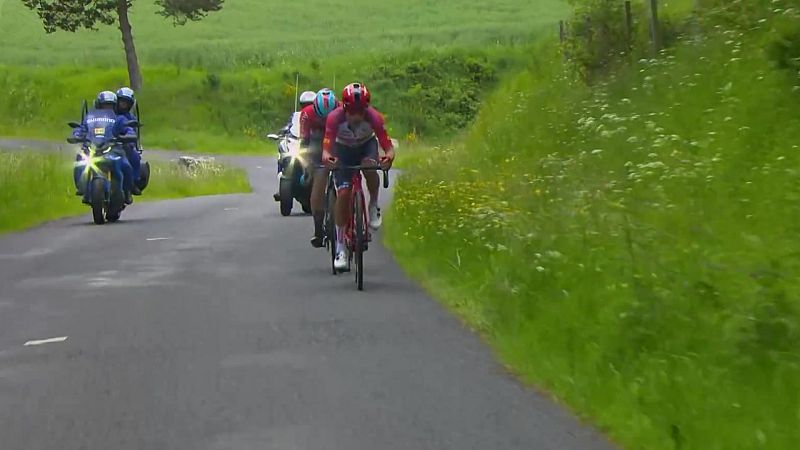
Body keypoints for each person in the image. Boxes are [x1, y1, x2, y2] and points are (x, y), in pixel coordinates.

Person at [322, 82, 395, 270]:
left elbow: (388, 147)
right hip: (343, 149)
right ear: (344, 108)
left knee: (370, 166)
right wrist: (328, 158)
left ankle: (373, 205)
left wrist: (388, 157)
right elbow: (326, 149)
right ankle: (340, 248)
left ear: (366, 109)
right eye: (351, 111)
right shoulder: (333, 118)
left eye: (360, 111)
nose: (356, 116)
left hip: (366, 146)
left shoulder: (375, 118)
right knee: (344, 194)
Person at [71, 91, 137, 205]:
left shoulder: (119, 118)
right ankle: (82, 187)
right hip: (93, 148)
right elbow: (82, 128)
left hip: (114, 148)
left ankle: (127, 191)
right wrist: (77, 135)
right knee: (80, 161)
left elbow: (128, 129)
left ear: (115, 106)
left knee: (126, 165)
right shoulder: (90, 118)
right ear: (98, 105)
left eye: (110, 106)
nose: (107, 108)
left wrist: (128, 135)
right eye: (104, 105)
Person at [302, 89, 339, 248]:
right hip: (317, 142)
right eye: (321, 117)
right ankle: (318, 229)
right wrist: (308, 165)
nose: (325, 120)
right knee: (318, 181)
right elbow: (305, 141)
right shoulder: (307, 114)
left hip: (337, 140)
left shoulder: (341, 110)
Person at [272, 90, 318, 200]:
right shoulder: (296, 116)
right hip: (297, 142)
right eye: (305, 104)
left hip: (312, 146)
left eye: (311, 104)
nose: (307, 107)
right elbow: (289, 126)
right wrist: (282, 133)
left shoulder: (319, 116)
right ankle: (282, 184)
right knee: (283, 153)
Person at [115, 87, 142, 196]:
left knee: (134, 155)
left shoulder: (130, 117)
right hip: (107, 142)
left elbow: (132, 131)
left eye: (126, 102)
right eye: (121, 101)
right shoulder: (109, 114)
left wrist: (129, 137)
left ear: (130, 104)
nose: (123, 104)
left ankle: (133, 183)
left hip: (124, 143)